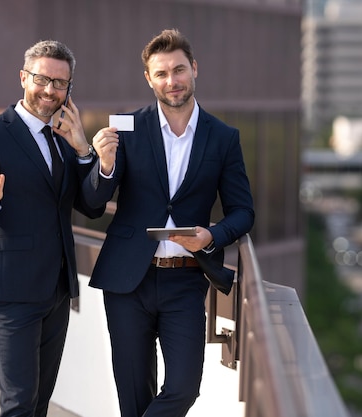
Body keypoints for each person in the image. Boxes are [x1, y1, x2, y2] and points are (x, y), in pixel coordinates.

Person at [83, 29, 255, 417]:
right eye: (161, 73)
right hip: (128, 280)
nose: (171, 81)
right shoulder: (126, 128)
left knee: (183, 388)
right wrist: (104, 166)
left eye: (179, 70)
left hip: (185, 281)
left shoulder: (223, 138)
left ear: (194, 69)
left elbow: (244, 211)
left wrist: (212, 235)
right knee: (133, 396)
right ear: (149, 78)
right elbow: (93, 205)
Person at [0, 40, 105, 417]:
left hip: (56, 288)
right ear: (24, 77)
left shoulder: (65, 138)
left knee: (40, 400)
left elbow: (92, 206)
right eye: (42, 79)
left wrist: (84, 151)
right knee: (19, 401)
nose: (50, 90)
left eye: (61, 83)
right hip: (10, 289)